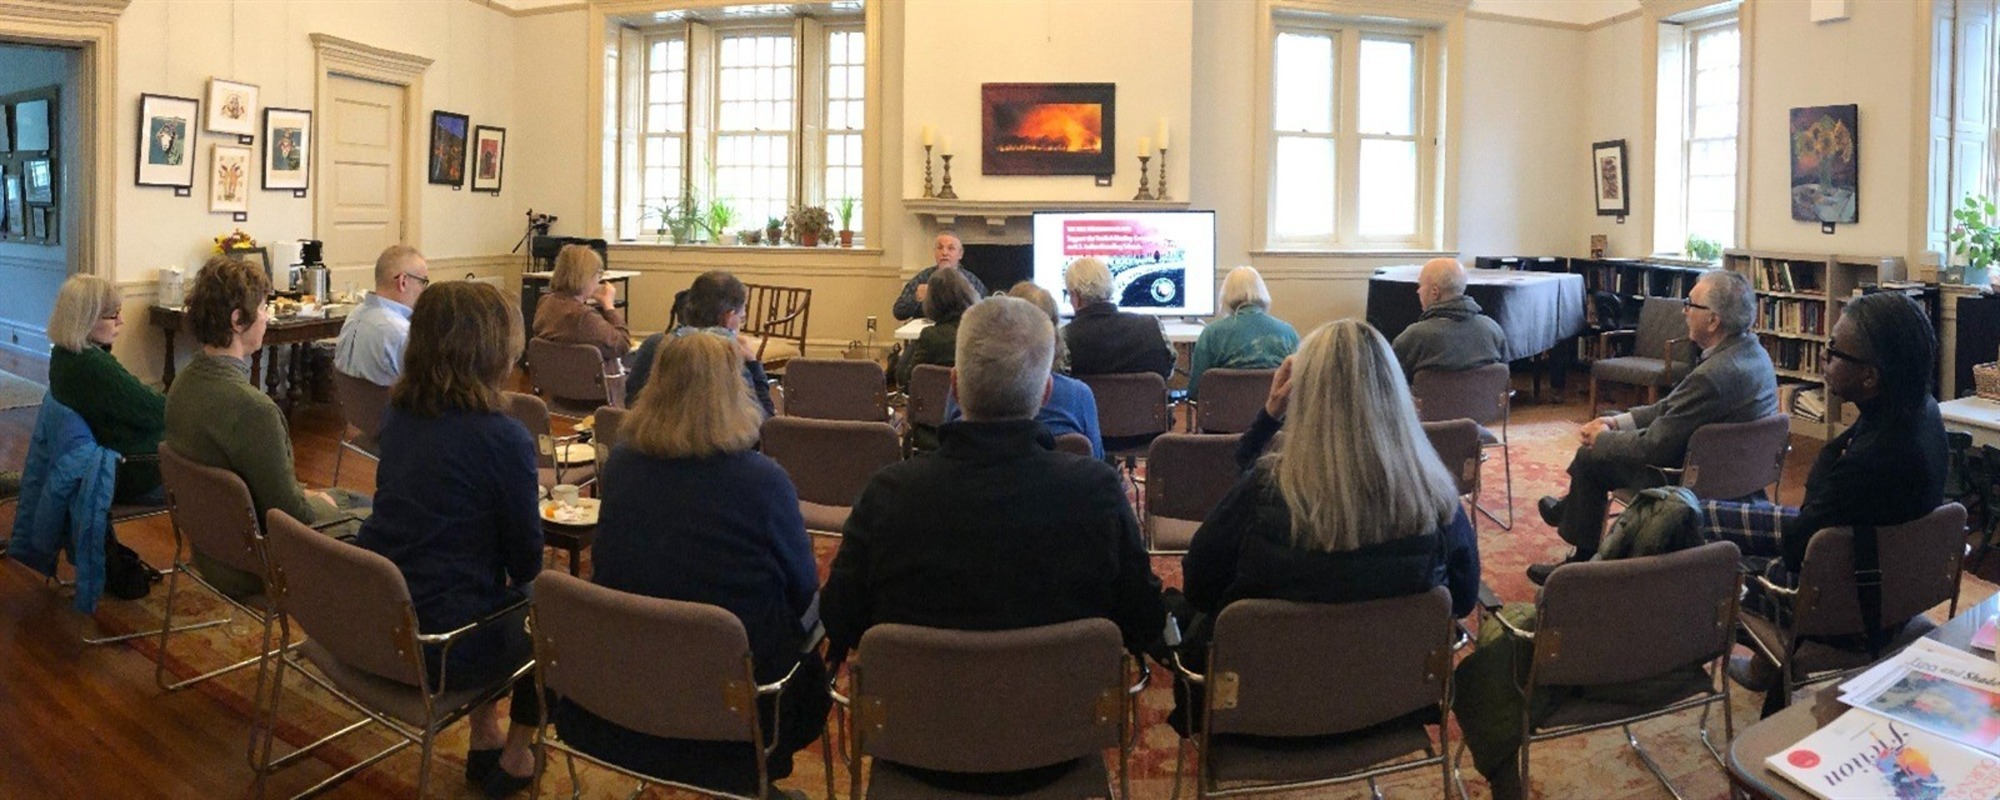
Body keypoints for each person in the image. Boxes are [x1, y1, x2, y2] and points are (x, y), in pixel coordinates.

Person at [821, 296, 1166, 795]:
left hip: (918, 747)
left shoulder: (890, 494)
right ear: (1047, 392)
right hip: (1059, 748)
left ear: (956, 387)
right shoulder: (1095, 492)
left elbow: (840, 620)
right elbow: (1144, 622)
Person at [1170, 319, 1480, 732]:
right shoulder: (1438, 501)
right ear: (1397, 396)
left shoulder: (1264, 493)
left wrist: (1268, 415)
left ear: (1307, 397)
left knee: (1172, 607)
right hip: (1390, 707)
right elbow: (1461, 601)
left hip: (1259, 713)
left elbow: (1201, 588)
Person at [559, 333, 826, 797]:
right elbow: (803, 590)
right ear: (733, 392)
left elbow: (608, 564)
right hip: (739, 703)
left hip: (625, 684)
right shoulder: (763, 481)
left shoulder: (620, 465)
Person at [1700, 292, 1946, 689]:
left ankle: (1668, 650)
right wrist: (1834, 462)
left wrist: (1828, 471)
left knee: (1704, 559)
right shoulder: (1918, 412)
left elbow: (1798, 548)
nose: (1823, 359)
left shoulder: (1869, 462)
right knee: (1703, 513)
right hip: (1885, 581)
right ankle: (1767, 665)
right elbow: (1830, 476)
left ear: (1870, 377)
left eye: (1833, 351)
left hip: (1842, 605)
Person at [354, 281, 543, 798]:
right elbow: (527, 563)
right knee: (552, 609)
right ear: (492, 352)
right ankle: (518, 754)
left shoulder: (398, 414)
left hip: (376, 613)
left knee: (481, 588)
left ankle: (484, 734)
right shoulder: (505, 439)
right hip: (439, 644)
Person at [1529, 270, 1777, 583]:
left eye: (1691, 304)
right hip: (1741, 474)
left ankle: (1581, 559)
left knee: (1592, 457)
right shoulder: (1753, 354)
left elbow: (1654, 445)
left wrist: (1603, 438)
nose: (1684, 311)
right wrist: (1614, 421)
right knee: (1601, 444)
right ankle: (1569, 510)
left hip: (1686, 479)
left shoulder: (1712, 376)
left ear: (1713, 321)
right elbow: (1669, 406)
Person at [164, 256, 367, 599]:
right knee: (380, 521)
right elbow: (294, 515)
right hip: (255, 565)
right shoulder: (255, 410)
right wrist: (318, 502)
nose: (267, 317)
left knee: (356, 499)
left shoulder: (182, 384)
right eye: (261, 309)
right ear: (237, 320)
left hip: (210, 549)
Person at [944, 283, 1104, 458]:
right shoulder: (1078, 395)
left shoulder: (963, 386)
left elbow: (947, 448)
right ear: (1046, 391)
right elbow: (1096, 457)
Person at [46, 275, 165, 504]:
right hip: (128, 471)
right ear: (86, 319)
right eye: (112, 315)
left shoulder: (62, 356)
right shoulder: (93, 367)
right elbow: (156, 411)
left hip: (103, 459)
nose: (121, 321)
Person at [624, 270, 775, 416]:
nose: (740, 323)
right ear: (728, 318)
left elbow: (631, 402)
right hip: (715, 441)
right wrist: (754, 364)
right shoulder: (730, 355)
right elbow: (763, 420)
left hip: (651, 436)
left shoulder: (653, 344)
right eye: (741, 318)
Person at [1187, 266, 1299, 397]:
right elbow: (1299, 384)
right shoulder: (1288, 333)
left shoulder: (1212, 334)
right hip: (1275, 414)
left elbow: (1196, 390)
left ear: (1225, 295)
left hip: (1223, 414)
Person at [1390, 257, 1508, 379]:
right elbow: (1503, 380)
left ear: (1435, 292)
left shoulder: (1414, 337)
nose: (1418, 291)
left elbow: (1389, 383)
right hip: (1484, 398)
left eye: (1420, 285)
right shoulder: (1493, 330)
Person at [1062, 256, 1175, 379]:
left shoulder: (1065, 339)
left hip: (1089, 399)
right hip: (1141, 398)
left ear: (1075, 296)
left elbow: (1059, 387)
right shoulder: (1152, 327)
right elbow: (1168, 373)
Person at [334, 245, 429, 386]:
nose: (424, 290)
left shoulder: (354, 316)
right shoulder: (400, 333)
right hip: (388, 407)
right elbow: (424, 390)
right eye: (422, 282)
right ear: (403, 282)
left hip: (350, 406)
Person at [532, 244, 630, 365]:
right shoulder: (583, 316)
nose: (598, 280)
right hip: (587, 381)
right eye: (597, 275)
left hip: (552, 381)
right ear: (586, 277)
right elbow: (622, 345)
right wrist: (609, 306)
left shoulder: (545, 303)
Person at [895, 266, 979, 388]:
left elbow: (908, 380)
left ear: (932, 302)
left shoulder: (930, 336)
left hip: (934, 401)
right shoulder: (979, 333)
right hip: (971, 402)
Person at [891, 232, 987, 321]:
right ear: (934, 252)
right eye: (940, 248)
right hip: (926, 334)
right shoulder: (923, 278)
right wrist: (916, 298)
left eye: (951, 248)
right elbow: (898, 312)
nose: (944, 253)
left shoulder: (971, 281)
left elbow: (985, 311)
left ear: (960, 254)